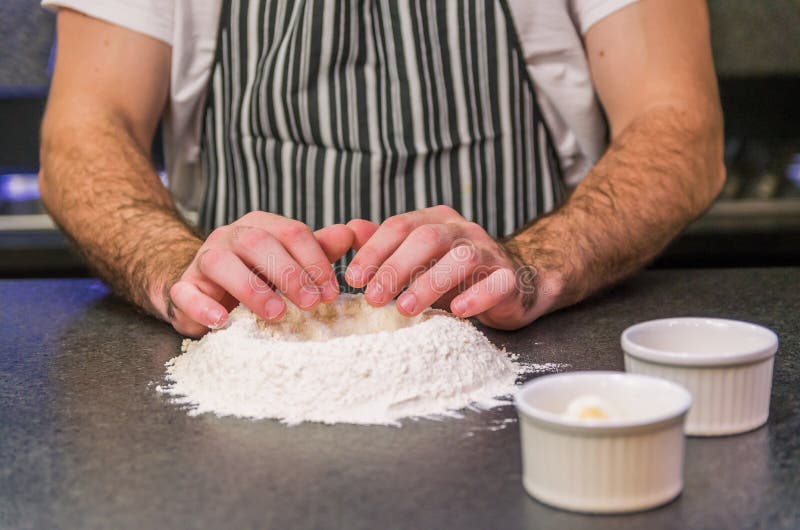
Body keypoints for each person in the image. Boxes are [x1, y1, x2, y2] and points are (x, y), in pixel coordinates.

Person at [39, 0, 724, 337]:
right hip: (246, 352)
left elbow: (678, 125)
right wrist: (175, 269)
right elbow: (85, 129)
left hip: (523, 352)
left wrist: (534, 263)